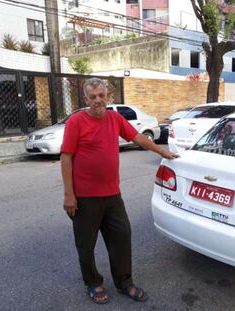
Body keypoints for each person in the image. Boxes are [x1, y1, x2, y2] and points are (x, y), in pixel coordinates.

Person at [60, 78, 179, 304]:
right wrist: (69, 194)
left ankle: (125, 282)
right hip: (84, 198)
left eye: (101, 96)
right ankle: (93, 282)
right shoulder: (76, 121)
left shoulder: (115, 118)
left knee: (121, 237)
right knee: (86, 244)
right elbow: (66, 157)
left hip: (112, 195)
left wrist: (162, 152)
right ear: (86, 99)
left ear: (108, 97)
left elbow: (138, 138)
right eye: (93, 97)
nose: (98, 100)